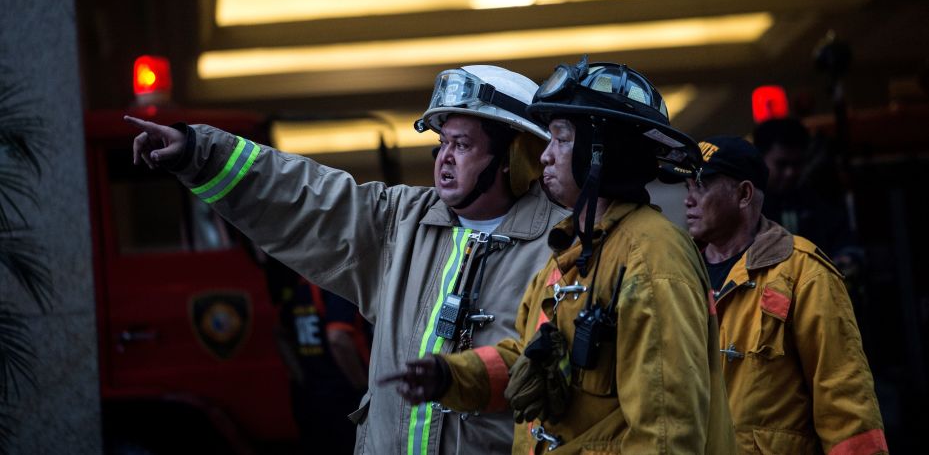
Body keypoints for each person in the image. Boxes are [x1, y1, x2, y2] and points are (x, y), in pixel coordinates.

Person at [125, 65, 569, 455]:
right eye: (442, 142)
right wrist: (198, 153)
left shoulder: (562, 249)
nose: (443, 158)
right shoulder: (401, 222)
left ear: (515, 157)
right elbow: (304, 197)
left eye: (463, 144)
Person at [387, 58, 735, 454]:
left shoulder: (652, 257)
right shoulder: (573, 255)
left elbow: (666, 433)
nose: (545, 156)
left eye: (561, 139)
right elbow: (530, 361)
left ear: (601, 152)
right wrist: (450, 376)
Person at [679, 135, 886, 454]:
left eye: (701, 186)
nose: (688, 200)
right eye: (687, 187)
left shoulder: (805, 273)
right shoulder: (677, 275)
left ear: (743, 194)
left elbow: (843, 399)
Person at [263, 255, 370, 453]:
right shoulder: (337, 287)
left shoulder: (300, 286)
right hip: (344, 398)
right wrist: (363, 388)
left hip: (312, 397)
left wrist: (299, 376)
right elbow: (337, 338)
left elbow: (279, 332)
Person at [753, 117, 853, 258]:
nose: (790, 173)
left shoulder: (819, 199)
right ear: (760, 159)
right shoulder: (747, 208)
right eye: (781, 164)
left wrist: (848, 259)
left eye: (797, 164)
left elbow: (845, 242)